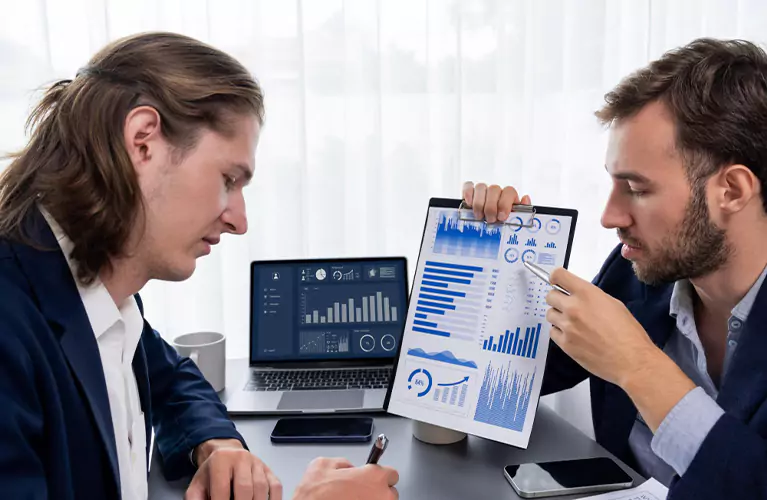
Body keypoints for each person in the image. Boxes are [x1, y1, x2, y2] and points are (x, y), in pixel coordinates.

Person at [0, 31, 398, 500]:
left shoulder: (100, 301)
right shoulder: (11, 329)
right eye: (229, 179)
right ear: (142, 141)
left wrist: (217, 444)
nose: (239, 220)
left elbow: (172, 379)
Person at [464, 37, 767, 499]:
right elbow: (509, 377)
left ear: (732, 190)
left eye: (637, 189)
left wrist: (636, 366)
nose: (610, 216)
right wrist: (492, 255)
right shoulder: (640, 274)